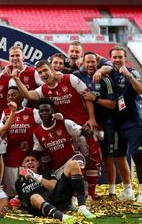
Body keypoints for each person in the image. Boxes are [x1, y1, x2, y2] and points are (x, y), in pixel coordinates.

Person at [15, 60, 102, 199]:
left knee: (91, 158)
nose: (43, 74)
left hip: (82, 127)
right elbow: (29, 95)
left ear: (52, 69)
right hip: (65, 130)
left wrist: (92, 118)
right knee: (75, 162)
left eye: (45, 70)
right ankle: (77, 193)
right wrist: (16, 79)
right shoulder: (43, 89)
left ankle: (90, 193)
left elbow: (87, 96)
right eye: (40, 72)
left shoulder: (70, 79)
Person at [75, 52, 117, 199]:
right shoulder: (79, 77)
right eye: (88, 62)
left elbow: (112, 105)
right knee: (89, 157)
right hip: (87, 123)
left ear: (97, 63)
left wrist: (95, 98)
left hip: (106, 122)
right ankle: (89, 191)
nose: (90, 65)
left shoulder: (105, 80)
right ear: (83, 64)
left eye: (93, 62)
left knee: (107, 156)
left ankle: (112, 191)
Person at [109, 46, 142, 202]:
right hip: (117, 123)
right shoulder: (109, 72)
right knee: (119, 157)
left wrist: (129, 76)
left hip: (133, 122)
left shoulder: (132, 73)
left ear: (125, 58)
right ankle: (128, 190)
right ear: (111, 59)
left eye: (120, 57)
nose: (118, 60)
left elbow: (140, 90)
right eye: (115, 57)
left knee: (137, 156)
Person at [14, 152, 95, 222]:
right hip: (39, 209)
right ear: (23, 165)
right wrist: (16, 201)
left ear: (38, 164)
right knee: (34, 197)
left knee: (73, 164)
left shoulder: (46, 174)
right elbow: (22, 200)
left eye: (33, 160)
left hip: (56, 199)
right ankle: (62, 217)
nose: (30, 162)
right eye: (27, 161)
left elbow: (53, 186)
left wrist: (35, 177)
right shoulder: (19, 183)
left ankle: (82, 208)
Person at [0, 86, 40, 197]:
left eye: (13, 94)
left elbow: (46, 122)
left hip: (28, 159)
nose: (10, 97)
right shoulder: (5, 113)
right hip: (11, 159)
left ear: (22, 97)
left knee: (28, 192)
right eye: (8, 96)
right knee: (11, 194)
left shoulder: (32, 112)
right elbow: (0, 132)